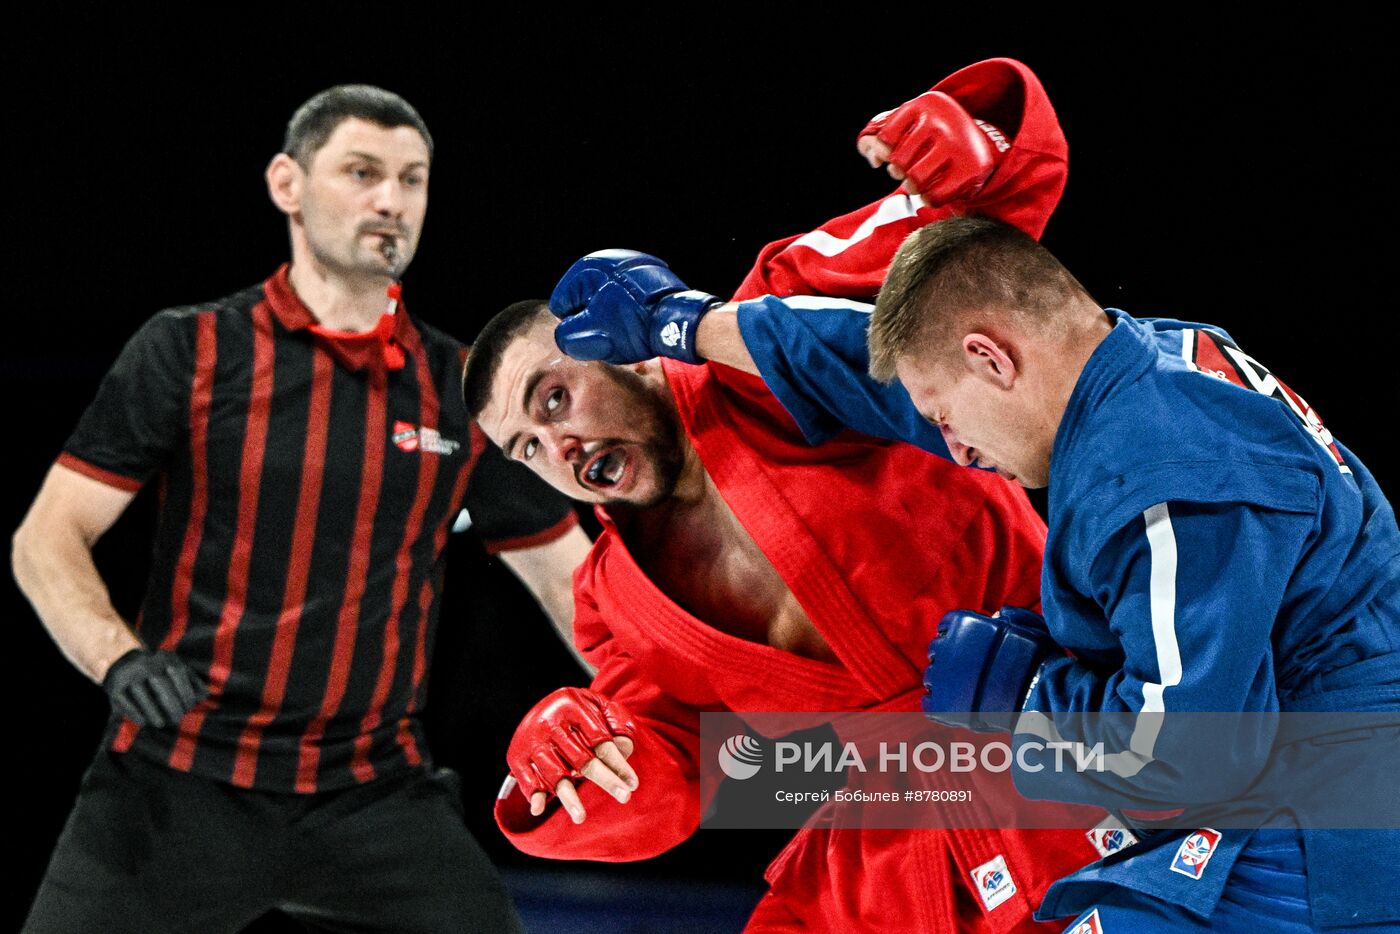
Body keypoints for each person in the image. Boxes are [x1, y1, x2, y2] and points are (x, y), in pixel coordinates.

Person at [550, 214, 1400, 929]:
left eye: (947, 418)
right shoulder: (1148, 356)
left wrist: (1024, 694)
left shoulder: (1163, 482)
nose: (952, 448)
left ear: (993, 359)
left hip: (1330, 810)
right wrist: (685, 324)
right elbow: (876, 371)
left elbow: (1188, 756)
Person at [464, 59, 1123, 931]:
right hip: (884, 846)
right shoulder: (616, 605)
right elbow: (676, 777)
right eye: (527, 448)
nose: (559, 447)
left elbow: (977, 229)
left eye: (554, 400)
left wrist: (969, 142)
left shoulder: (766, 332)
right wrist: (570, 762)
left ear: (616, 347)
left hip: (1068, 739)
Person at [12, 85, 591, 934]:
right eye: (362, 173)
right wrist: (117, 659)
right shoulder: (192, 348)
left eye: (412, 178)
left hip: (373, 795)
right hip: (177, 783)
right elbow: (47, 538)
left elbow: (576, 586)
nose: (391, 200)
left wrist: (689, 726)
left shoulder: (461, 388)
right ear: (288, 183)